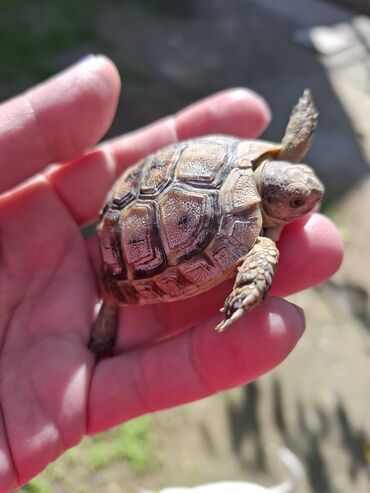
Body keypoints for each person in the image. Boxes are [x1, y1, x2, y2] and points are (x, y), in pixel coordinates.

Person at [0, 55, 343, 491]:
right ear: (275, 203)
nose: (309, 198)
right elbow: (260, 257)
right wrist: (252, 283)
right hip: (136, 235)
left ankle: (108, 312)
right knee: (118, 295)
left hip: (143, 190)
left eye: (303, 192)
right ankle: (108, 313)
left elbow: (288, 155)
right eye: (297, 203)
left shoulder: (262, 169)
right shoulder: (259, 241)